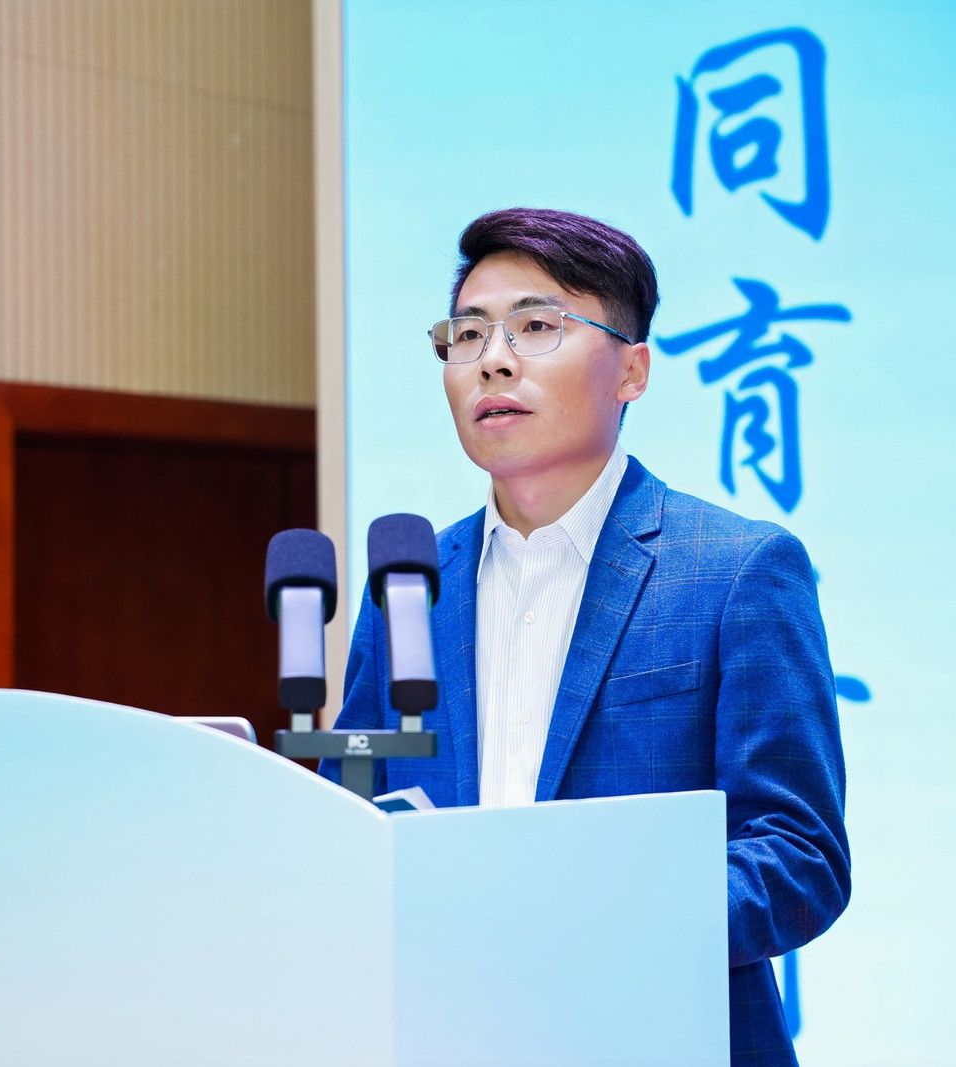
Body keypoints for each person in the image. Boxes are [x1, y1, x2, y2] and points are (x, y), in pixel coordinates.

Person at [328, 207, 849, 1066]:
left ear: (631, 371)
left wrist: (590, 926)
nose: (493, 359)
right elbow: (348, 827)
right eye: (466, 334)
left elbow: (801, 856)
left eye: (537, 326)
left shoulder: (736, 570)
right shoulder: (408, 587)